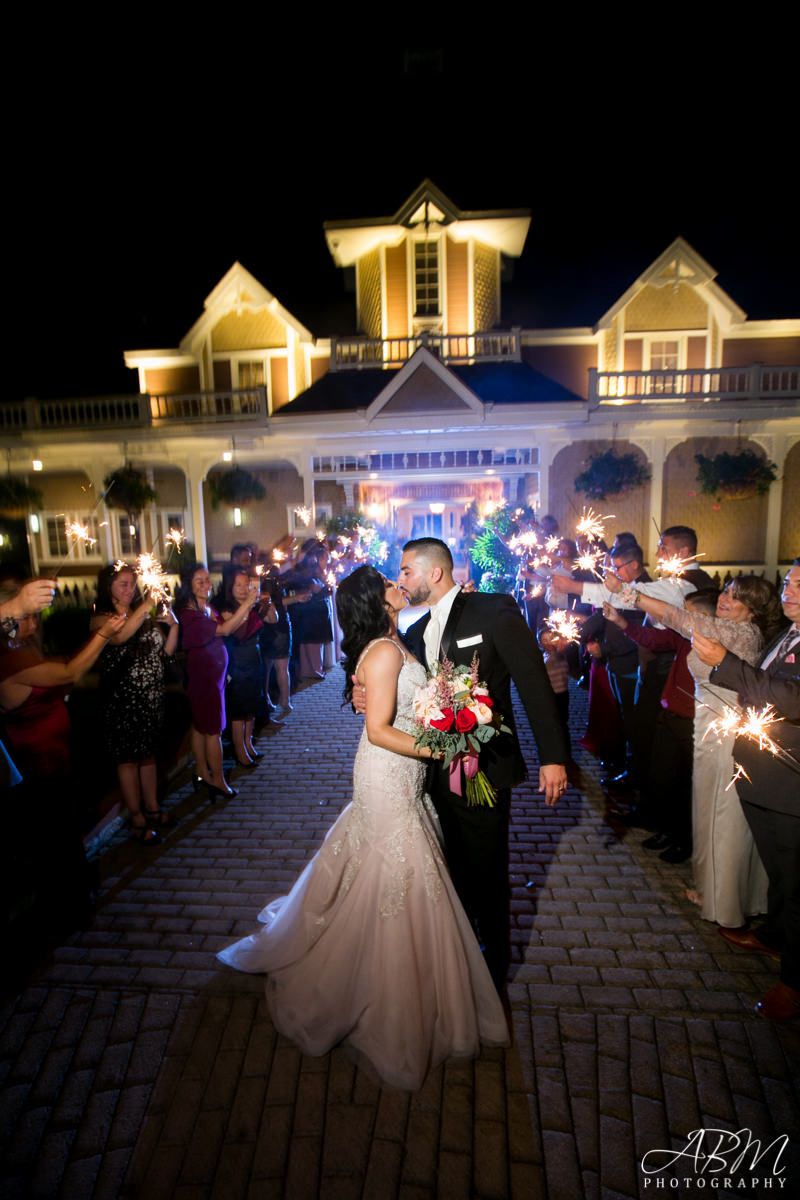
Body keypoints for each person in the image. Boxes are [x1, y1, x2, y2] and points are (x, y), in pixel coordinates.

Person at [217, 564, 508, 1090]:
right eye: (389, 583)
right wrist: (442, 747)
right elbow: (377, 730)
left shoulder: (400, 641)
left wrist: (452, 712)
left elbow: (399, 706)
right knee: (398, 868)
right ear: (378, 601)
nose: (398, 585)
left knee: (392, 866)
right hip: (386, 773)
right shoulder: (381, 650)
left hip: (407, 777)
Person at [397, 537, 568, 992]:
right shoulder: (415, 632)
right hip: (433, 767)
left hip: (485, 764)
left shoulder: (493, 611)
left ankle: (492, 975)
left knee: (488, 870)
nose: (401, 580)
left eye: (407, 571)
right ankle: (457, 957)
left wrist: (553, 757)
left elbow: (534, 683)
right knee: (450, 865)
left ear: (435, 572)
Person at [630, 576, 783, 928]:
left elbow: (680, 618)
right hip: (705, 726)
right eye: (727, 592)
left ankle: (725, 902)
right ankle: (712, 885)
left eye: (737, 597)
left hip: (725, 731)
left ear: (753, 610)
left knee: (724, 815)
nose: (727, 599)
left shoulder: (741, 634)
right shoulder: (723, 627)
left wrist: (632, 595)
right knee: (706, 808)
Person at [693, 559, 800, 1021]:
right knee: (781, 872)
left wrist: (726, 665)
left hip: (790, 784)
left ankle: (794, 985)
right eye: (789, 582)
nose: (788, 590)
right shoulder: (788, 635)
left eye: (798, 584)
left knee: (797, 883)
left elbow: (790, 697)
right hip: (764, 773)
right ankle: (775, 937)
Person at [0, 581, 125, 929]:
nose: (34, 622)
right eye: (26, 616)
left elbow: (61, 676)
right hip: (37, 759)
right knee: (53, 834)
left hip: (56, 753)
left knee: (64, 828)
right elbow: (69, 672)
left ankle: (74, 896)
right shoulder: (6, 659)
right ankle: (65, 906)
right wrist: (103, 636)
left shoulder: (21, 647)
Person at [92, 562, 180, 843]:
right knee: (129, 760)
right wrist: (146, 606)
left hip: (152, 700)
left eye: (132, 584)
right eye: (123, 584)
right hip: (123, 702)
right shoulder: (101, 618)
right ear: (109, 588)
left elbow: (164, 652)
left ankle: (153, 808)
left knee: (149, 756)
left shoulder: (139, 614)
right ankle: (137, 817)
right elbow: (118, 638)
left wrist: (174, 626)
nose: (130, 589)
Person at [175, 563, 259, 799]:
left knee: (201, 727)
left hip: (214, 677)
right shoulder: (190, 616)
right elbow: (225, 629)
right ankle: (218, 780)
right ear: (188, 586)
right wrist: (248, 602)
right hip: (204, 679)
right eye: (199, 581)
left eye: (207, 580)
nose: (206, 585)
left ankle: (202, 772)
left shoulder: (206, 608)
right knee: (212, 730)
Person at [214, 565, 270, 766]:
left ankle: (248, 743)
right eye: (238, 584)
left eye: (246, 584)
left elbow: (270, 620)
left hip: (253, 659)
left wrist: (264, 606)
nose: (243, 588)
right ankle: (240, 751)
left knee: (251, 706)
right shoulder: (227, 609)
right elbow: (238, 632)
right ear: (229, 586)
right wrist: (248, 606)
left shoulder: (250, 605)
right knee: (239, 709)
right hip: (237, 663)